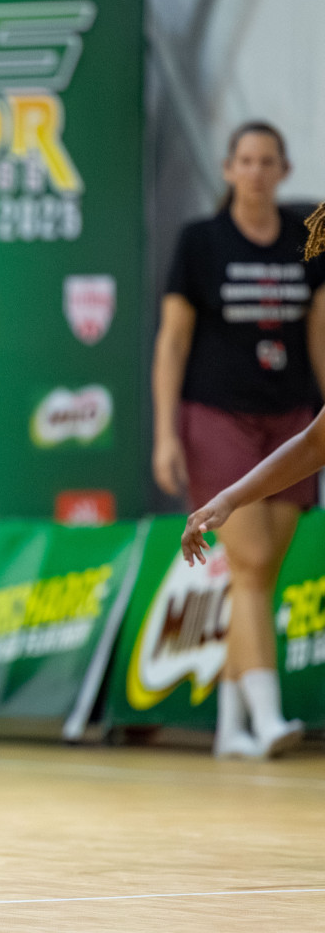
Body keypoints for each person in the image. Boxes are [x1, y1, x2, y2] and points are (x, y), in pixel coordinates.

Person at [155, 121, 325, 759]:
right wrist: (165, 433)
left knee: (260, 574)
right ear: (228, 169)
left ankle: (231, 728)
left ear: (284, 170)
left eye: (267, 161)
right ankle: (269, 717)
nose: (255, 171)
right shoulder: (201, 241)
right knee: (249, 562)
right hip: (217, 416)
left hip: (291, 414)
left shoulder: (307, 238)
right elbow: (172, 342)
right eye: (245, 160)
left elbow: (319, 331)